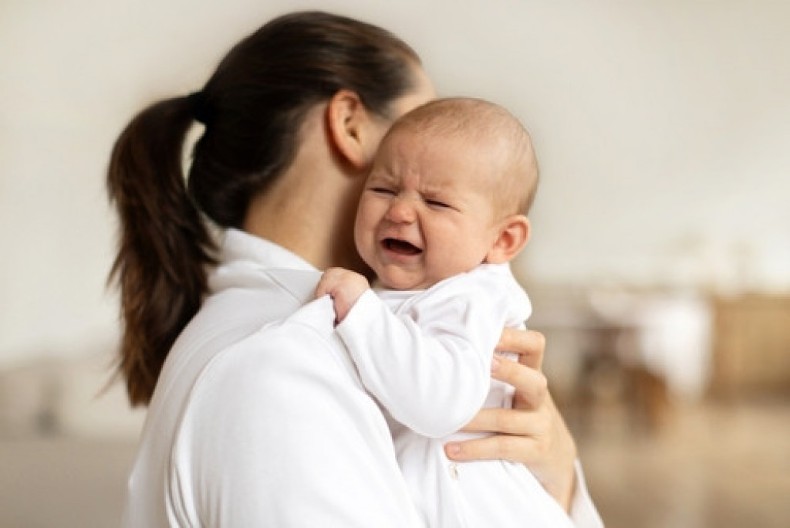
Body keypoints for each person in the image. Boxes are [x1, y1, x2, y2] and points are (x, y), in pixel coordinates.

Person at [106, 10, 600, 527]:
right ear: (350, 125)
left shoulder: (309, 334)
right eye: (418, 119)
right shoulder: (283, 366)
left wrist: (556, 470)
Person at [314, 97, 593, 527]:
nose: (400, 210)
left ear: (503, 240)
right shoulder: (414, 290)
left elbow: (440, 404)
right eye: (383, 189)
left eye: (437, 203)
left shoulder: (471, 297)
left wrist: (361, 313)